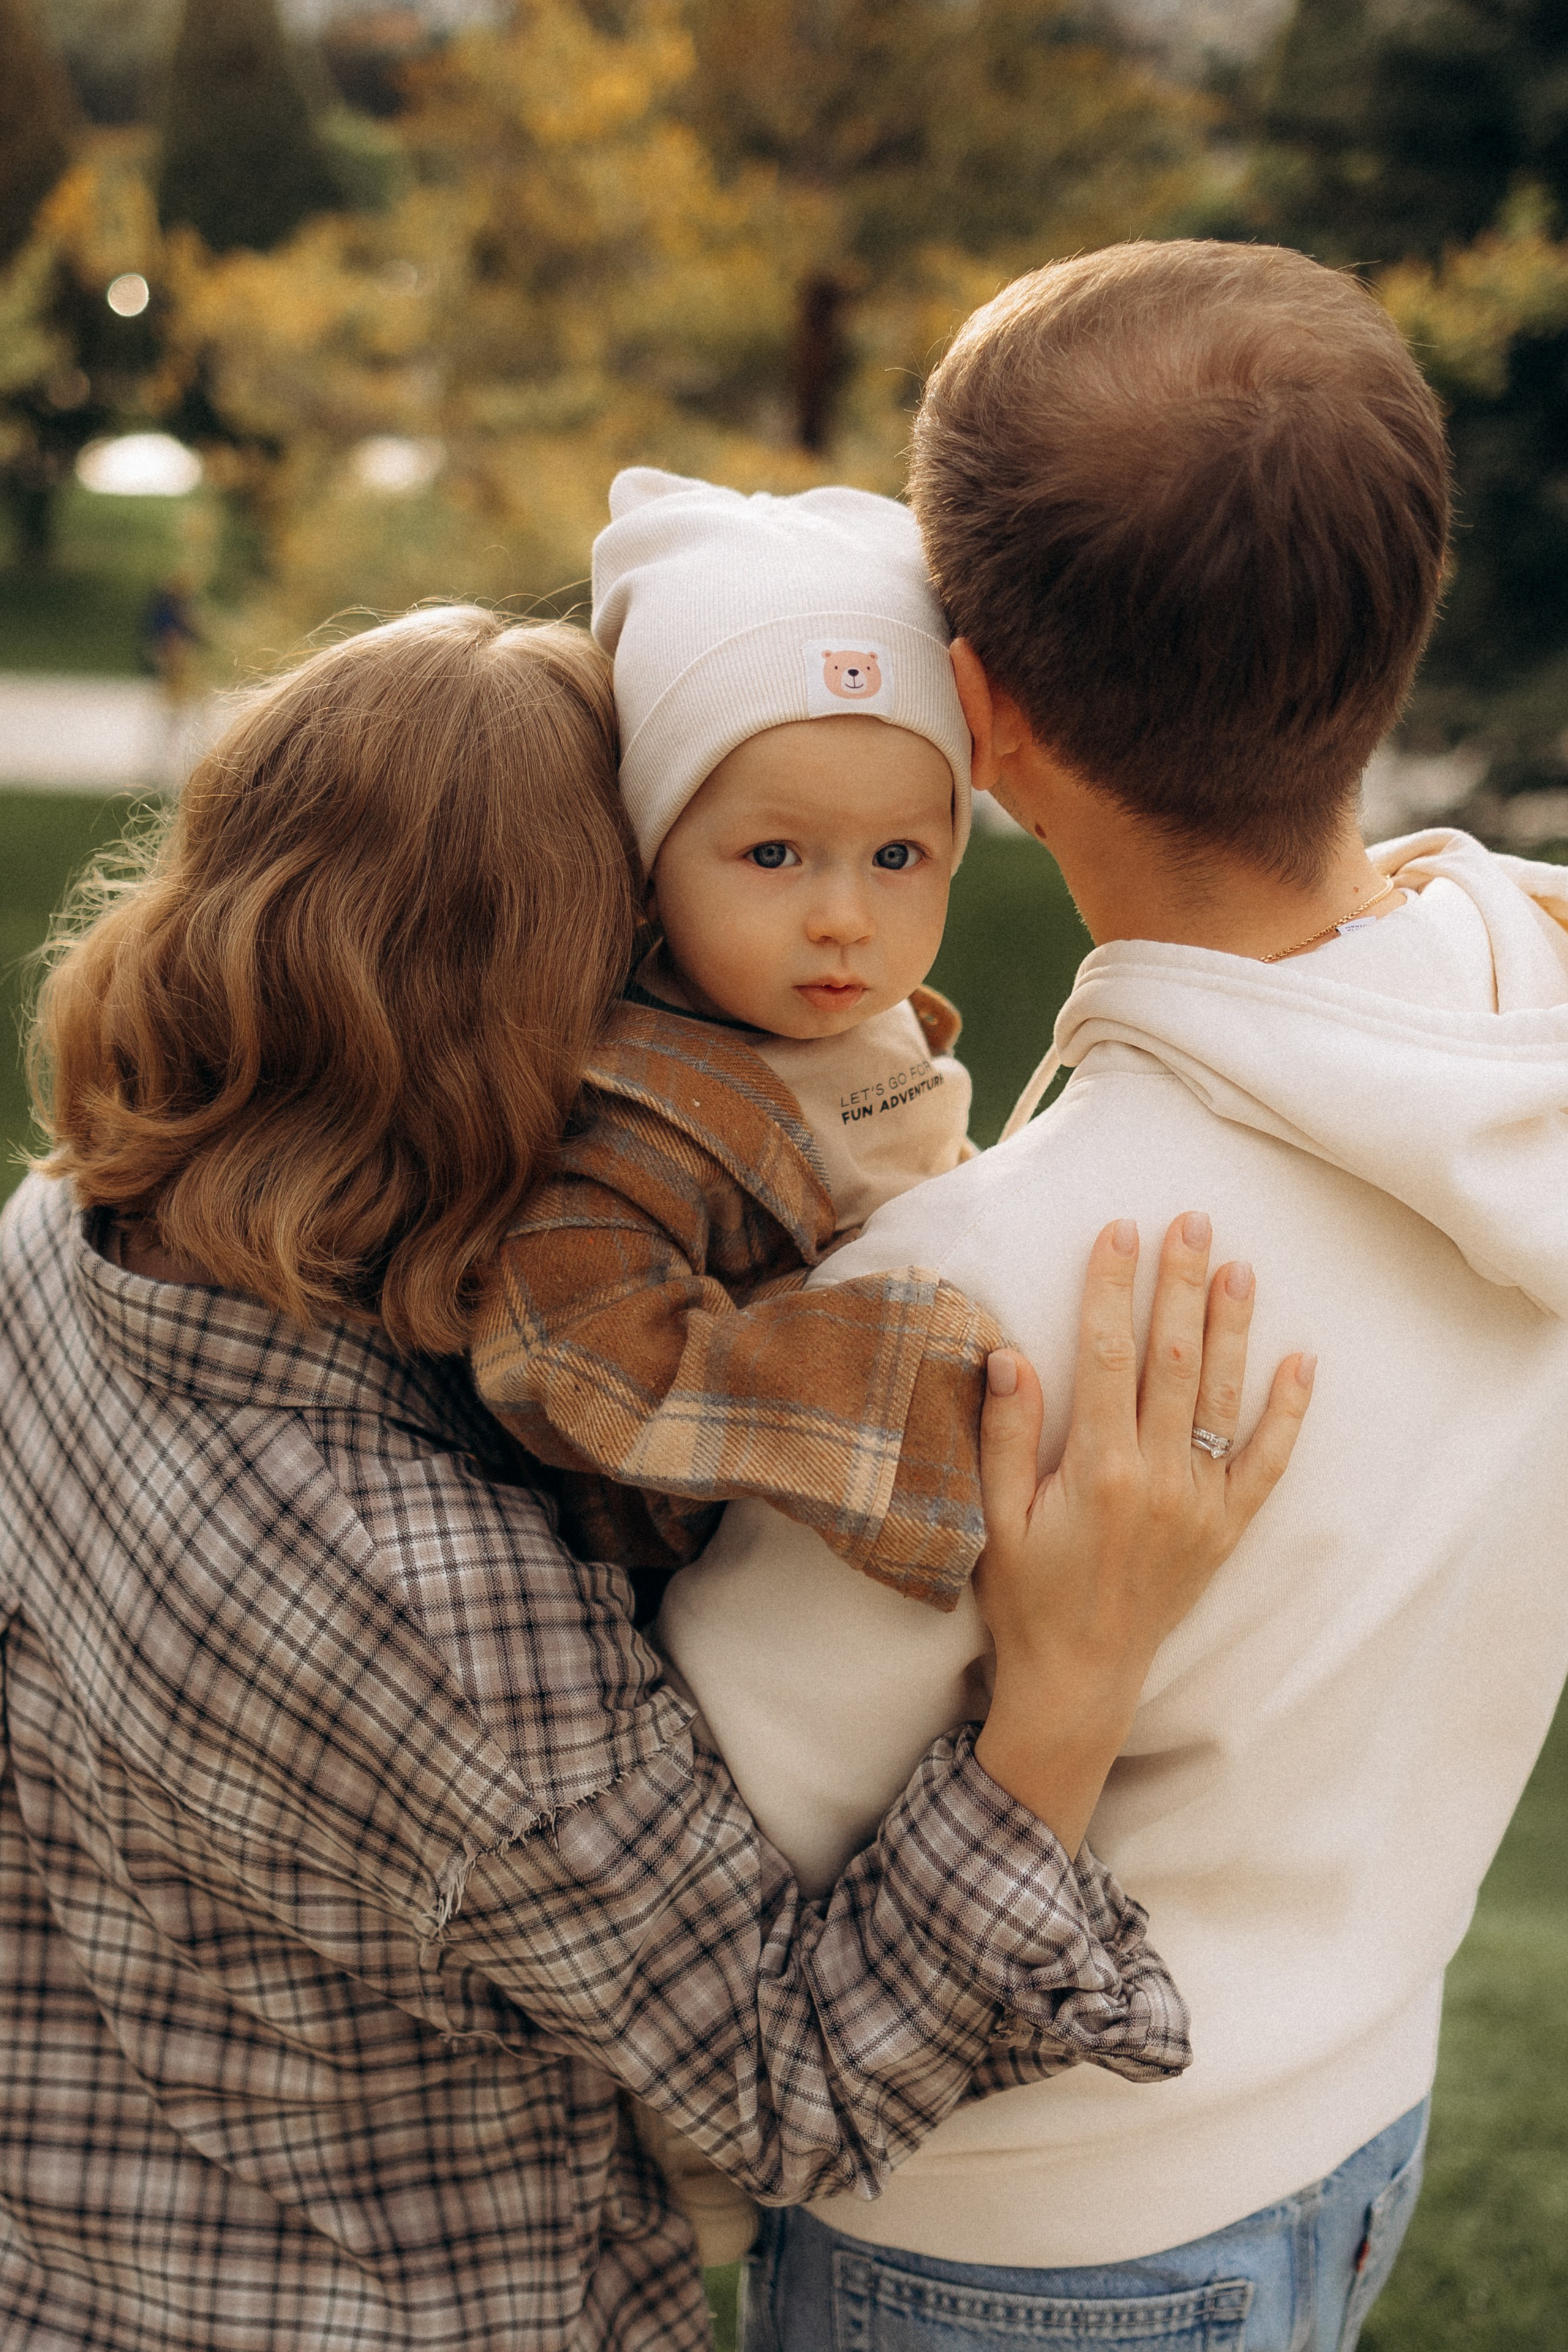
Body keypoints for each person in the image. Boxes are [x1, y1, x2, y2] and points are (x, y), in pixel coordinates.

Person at [0, 603, 1311, 2352]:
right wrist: (1068, 1686)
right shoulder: (426, 1601)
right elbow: (794, 2078)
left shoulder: (77, 1233)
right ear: (551, 1009)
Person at [655, 239, 1568, 2351]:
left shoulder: (989, 1299)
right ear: (1400, 631)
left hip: (1022, 2246)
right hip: (1343, 2124)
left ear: (972, 712)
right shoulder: (1523, 1009)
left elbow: (718, 1878)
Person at [472, 469, 997, 1619]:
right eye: (775, 855)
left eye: (899, 856)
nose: (844, 917)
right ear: (653, 860)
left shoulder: (871, 1023)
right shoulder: (623, 1117)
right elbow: (566, 1355)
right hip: (721, 1608)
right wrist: (881, 1386)